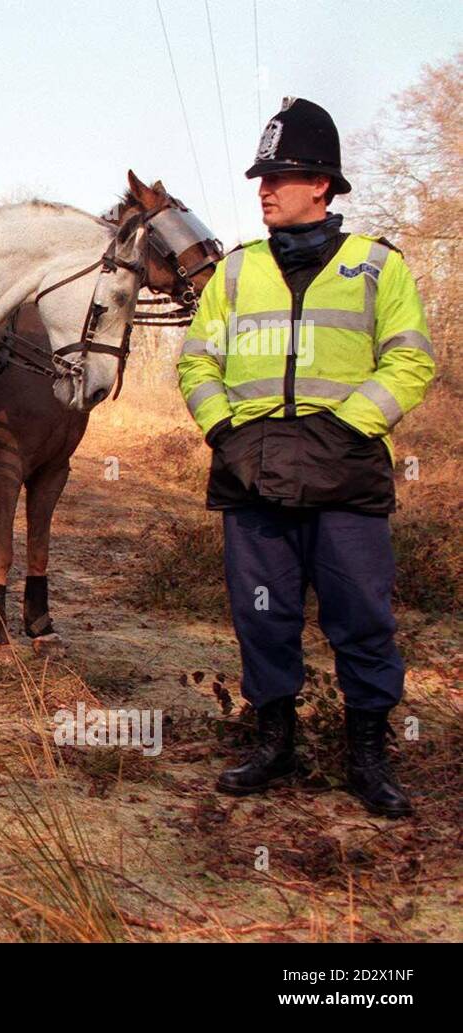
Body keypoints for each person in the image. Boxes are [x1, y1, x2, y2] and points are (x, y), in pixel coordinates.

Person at [177, 97, 435, 818]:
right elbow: (197, 361)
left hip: (346, 473)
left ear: (322, 183)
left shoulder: (378, 267)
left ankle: (368, 754)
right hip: (250, 472)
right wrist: (224, 432)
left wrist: (350, 426)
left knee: (360, 613)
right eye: (261, 175)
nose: (264, 187)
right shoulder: (234, 272)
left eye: (280, 175)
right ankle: (274, 742)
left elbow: (411, 361)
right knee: (262, 613)